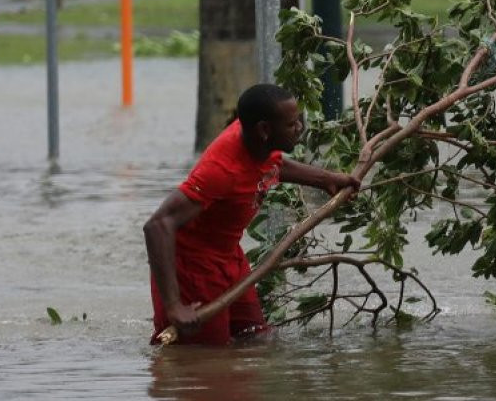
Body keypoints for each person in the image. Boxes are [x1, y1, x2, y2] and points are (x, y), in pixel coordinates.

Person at [143, 84, 359, 345]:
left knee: (255, 338)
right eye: (291, 125)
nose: (300, 128)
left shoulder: (258, 144)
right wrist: (175, 306)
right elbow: (158, 225)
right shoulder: (221, 170)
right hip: (193, 268)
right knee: (202, 356)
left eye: (298, 120)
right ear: (264, 130)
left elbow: (274, 165)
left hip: (229, 257)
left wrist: (327, 179)